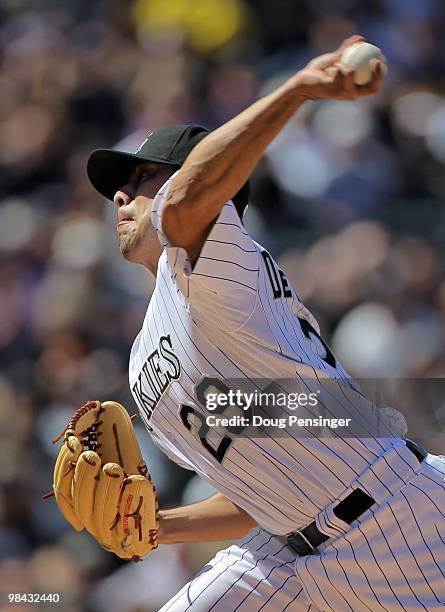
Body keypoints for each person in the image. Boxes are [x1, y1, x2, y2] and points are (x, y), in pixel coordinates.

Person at [87, 36, 445, 611]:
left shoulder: (220, 263)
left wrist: (299, 88)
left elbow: (186, 206)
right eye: (118, 189)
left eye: (145, 176)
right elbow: (263, 490)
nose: (122, 195)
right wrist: (157, 525)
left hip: (401, 525)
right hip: (280, 552)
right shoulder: (144, 353)